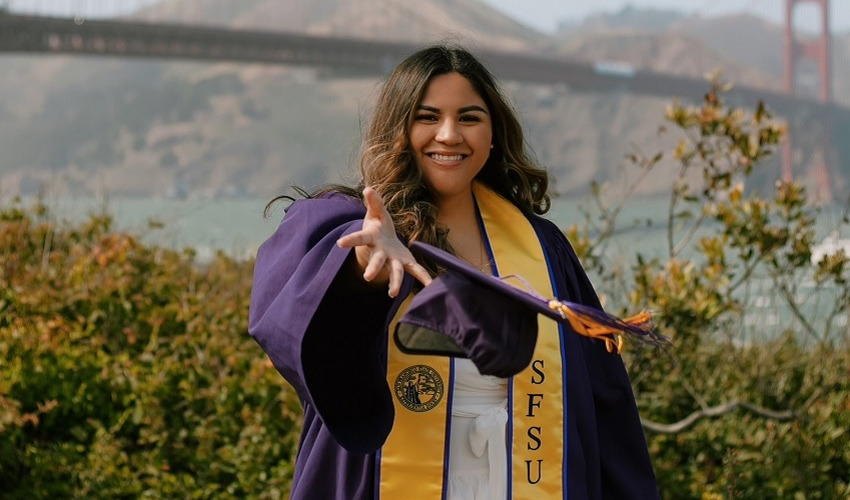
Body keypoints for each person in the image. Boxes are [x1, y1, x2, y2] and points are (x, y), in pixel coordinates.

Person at [249, 44, 660, 499]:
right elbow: (291, 332)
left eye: (469, 118)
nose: (449, 135)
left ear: (493, 133)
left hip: (516, 475)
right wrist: (365, 264)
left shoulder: (543, 249)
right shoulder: (343, 224)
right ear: (398, 129)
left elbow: (603, 404)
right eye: (427, 117)